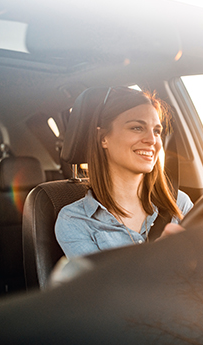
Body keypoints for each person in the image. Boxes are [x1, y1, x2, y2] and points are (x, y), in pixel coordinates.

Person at [55, 86, 193, 258]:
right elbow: (103, 285)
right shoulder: (75, 220)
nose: (152, 140)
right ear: (103, 138)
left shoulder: (179, 203)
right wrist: (158, 259)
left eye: (157, 131)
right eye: (137, 127)